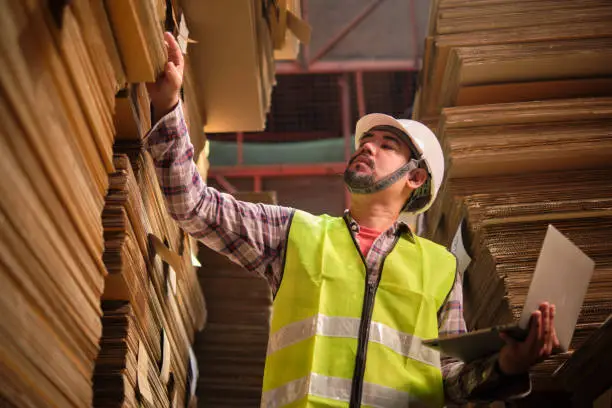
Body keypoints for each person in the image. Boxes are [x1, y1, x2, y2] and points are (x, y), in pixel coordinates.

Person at [146, 33, 559, 407]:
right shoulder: (295, 234)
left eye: (386, 145)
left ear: (415, 177)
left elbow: (450, 381)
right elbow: (194, 206)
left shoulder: (439, 269)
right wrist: (169, 105)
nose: (367, 148)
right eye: (365, 142)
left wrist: (507, 365)